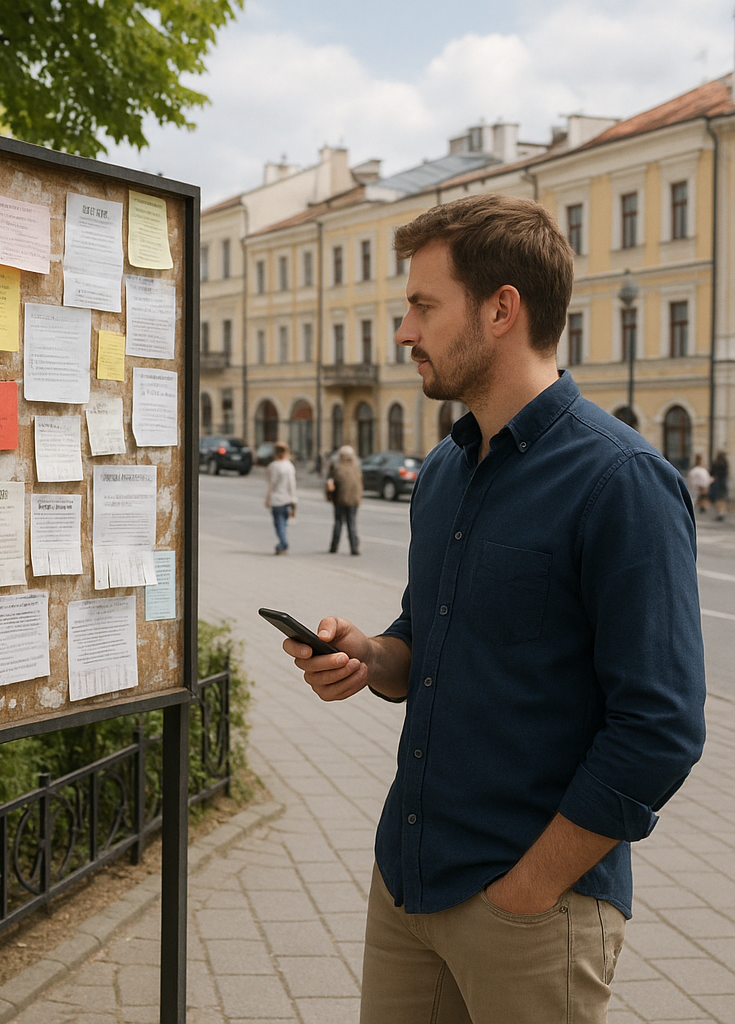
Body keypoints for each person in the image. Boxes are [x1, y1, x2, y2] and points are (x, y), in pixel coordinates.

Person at [279, 194, 706, 1024]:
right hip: (407, 880)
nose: (404, 331)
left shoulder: (621, 481)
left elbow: (660, 727)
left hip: (531, 909)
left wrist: (528, 893)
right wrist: (370, 656)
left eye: (423, 306)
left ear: (501, 308)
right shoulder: (443, 471)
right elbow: (424, 643)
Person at [327, 444, 363, 555]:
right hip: (354, 499)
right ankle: (354, 547)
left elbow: (331, 483)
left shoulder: (337, 467)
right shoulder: (356, 467)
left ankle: (334, 546)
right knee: (351, 523)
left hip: (340, 499)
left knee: (338, 522)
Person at [265, 441, 297, 554]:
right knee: (283, 523)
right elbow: (292, 486)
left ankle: (283, 544)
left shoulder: (273, 466)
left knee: (279, 524)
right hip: (287, 500)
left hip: (276, 499)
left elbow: (271, 484)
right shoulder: (289, 466)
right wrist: (294, 502)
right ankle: (283, 544)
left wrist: (267, 499)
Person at [708, 451, 728, 520]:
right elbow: (726, 473)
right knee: (722, 498)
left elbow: (711, 473)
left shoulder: (715, 463)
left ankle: (718, 512)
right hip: (723, 482)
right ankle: (722, 512)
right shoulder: (725, 463)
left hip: (716, 482)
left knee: (717, 498)